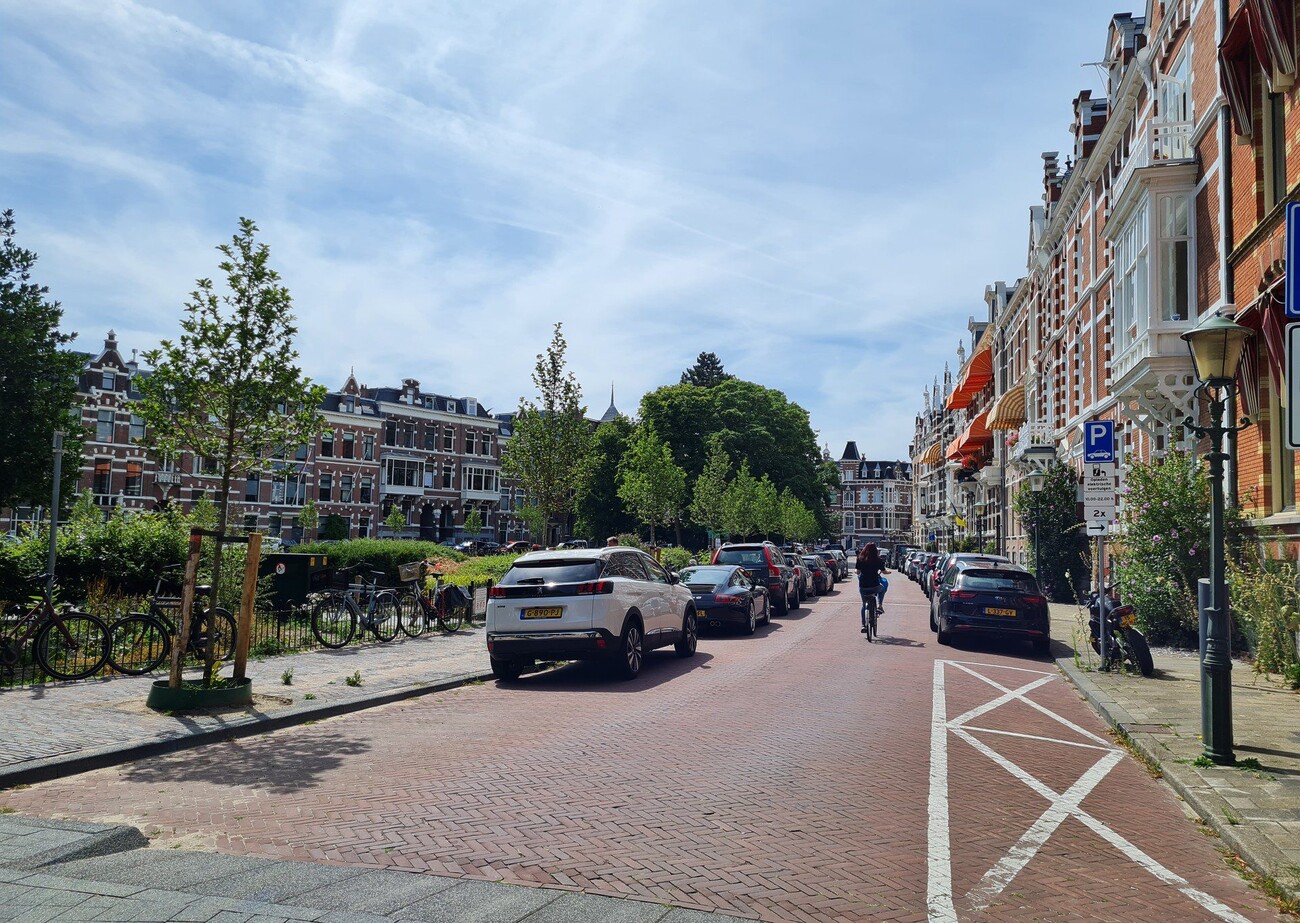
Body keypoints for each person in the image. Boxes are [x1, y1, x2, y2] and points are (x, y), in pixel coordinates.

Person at [855, 543, 890, 632]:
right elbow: (884, 571)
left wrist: (856, 571)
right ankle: (879, 605)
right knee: (882, 588)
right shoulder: (877, 560)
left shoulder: (860, 559)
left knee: (864, 605)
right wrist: (889, 572)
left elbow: (858, 572)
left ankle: (863, 625)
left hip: (863, 586)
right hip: (875, 586)